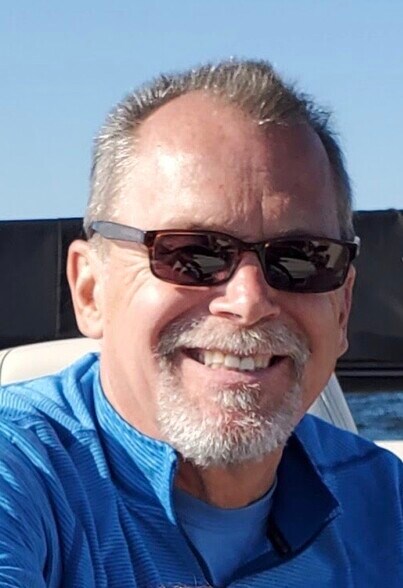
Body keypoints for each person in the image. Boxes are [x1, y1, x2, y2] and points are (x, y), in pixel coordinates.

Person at [0, 59, 401, 587]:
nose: (249, 301)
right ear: (91, 289)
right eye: (192, 254)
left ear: (342, 308)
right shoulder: (21, 472)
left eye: (301, 258)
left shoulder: (387, 507)